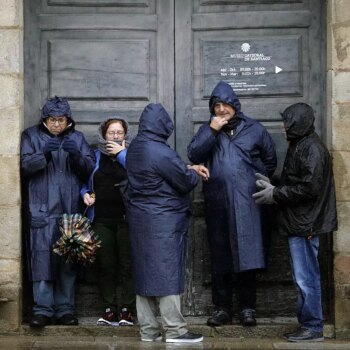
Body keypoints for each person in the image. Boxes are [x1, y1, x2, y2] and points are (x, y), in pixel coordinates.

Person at [187, 81, 277, 327]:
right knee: (221, 257)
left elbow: (270, 161)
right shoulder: (208, 130)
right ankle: (222, 308)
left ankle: (248, 308)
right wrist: (212, 131)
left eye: (225, 104)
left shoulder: (255, 130)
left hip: (250, 206)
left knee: (248, 256)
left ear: (235, 105)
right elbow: (194, 154)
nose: (221, 109)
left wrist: (250, 180)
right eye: (216, 105)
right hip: (218, 205)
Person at [252, 103, 337, 342]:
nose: (282, 125)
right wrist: (274, 183)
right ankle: (307, 325)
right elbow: (295, 179)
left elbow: (310, 188)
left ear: (297, 122)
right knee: (303, 276)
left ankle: (313, 327)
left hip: (305, 224)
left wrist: (276, 194)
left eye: (286, 121)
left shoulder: (313, 149)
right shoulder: (299, 144)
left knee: (306, 277)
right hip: (298, 222)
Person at [126, 103, 209, 343]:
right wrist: (193, 172)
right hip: (163, 220)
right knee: (167, 274)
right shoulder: (160, 150)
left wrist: (187, 166)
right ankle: (175, 331)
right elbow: (183, 181)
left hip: (140, 219)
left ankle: (148, 331)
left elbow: (160, 172)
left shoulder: (135, 148)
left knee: (144, 275)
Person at [20, 96, 95, 328]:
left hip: (70, 211)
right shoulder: (30, 136)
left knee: (68, 261)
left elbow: (89, 171)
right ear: (45, 119)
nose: (56, 125)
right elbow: (23, 167)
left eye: (61, 120)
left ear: (68, 120)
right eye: (52, 120)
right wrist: (42, 155)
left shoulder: (77, 138)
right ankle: (42, 310)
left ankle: (65, 309)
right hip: (41, 209)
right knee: (41, 259)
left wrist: (76, 155)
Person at [81, 117, 135, 326]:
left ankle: (127, 310)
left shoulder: (132, 155)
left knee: (127, 266)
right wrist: (84, 193)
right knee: (106, 266)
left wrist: (121, 153)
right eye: (111, 132)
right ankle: (109, 309)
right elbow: (84, 182)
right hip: (101, 220)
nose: (115, 136)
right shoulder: (95, 155)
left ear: (125, 134)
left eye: (119, 132)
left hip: (126, 220)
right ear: (103, 135)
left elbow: (139, 174)